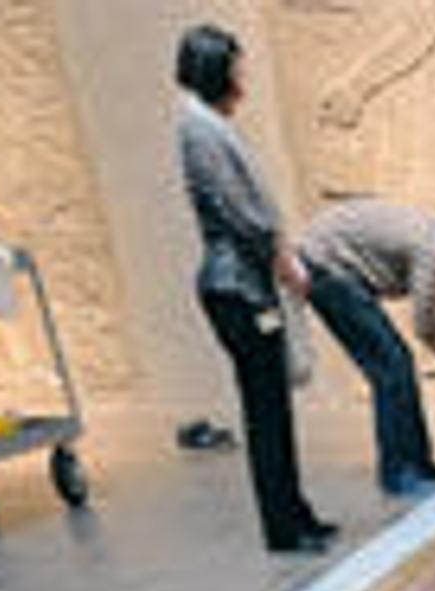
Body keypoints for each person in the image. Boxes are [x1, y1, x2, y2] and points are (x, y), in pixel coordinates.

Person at [170, 24, 332, 552]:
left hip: (246, 286)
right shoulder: (199, 128)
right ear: (216, 70)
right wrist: (282, 257)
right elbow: (241, 211)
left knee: (274, 411)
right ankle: (283, 529)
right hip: (235, 288)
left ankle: (296, 512)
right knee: (265, 415)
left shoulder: (209, 124)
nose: (243, 79)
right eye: (236, 68)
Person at [292, 198, 435, 496]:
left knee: (398, 361)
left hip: (340, 267)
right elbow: (429, 332)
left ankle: (419, 464)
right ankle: (399, 474)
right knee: (391, 367)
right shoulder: (433, 251)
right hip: (326, 267)